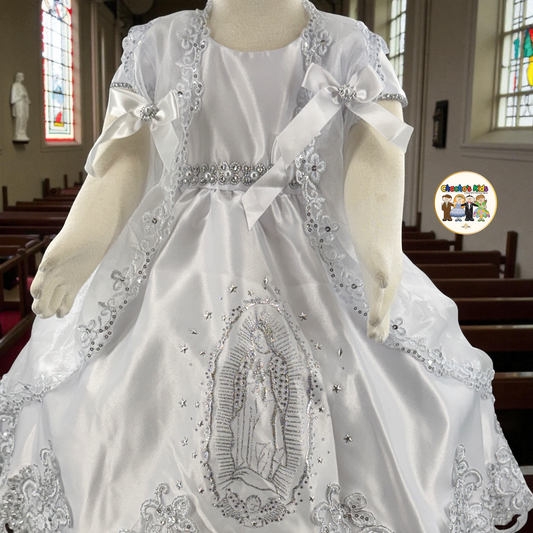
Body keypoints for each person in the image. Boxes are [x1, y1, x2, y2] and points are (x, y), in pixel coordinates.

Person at [0, 1, 531, 532]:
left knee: (358, 404)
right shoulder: (158, 42)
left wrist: (379, 252)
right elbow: (122, 161)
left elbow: (377, 151)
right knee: (133, 407)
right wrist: (78, 242)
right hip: (181, 268)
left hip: (311, 258)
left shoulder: (348, 44)